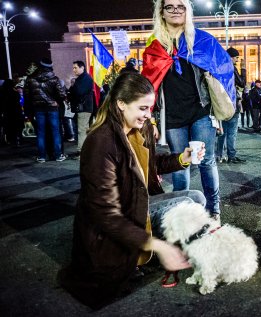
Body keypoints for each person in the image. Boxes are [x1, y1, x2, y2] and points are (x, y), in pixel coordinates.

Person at [57, 72, 206, 309]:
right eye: (143, 108)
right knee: (189, 205)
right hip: (119, 220)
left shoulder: (139, 129)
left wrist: (182, 158)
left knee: (195, 197)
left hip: (139, 204)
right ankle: (156, 251)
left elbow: (152, 165)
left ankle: (166, 250)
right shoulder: (101, 142)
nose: (149, 115)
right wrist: (158, 245)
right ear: (121, 104)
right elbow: (105, 214)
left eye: (151, 108)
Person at [141, 0, 235, 220]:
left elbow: (224, 67)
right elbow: (147, 87)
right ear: (161, 13)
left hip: (201, 112)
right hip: (172, 116)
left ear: (187, 12)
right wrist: (152, 119)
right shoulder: (154, 47)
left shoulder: (201, 40)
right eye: (169, 7)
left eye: (180, 6)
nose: (175, 11)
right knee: (179, 164)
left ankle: (213, 210)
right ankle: (181, 214)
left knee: (206, 161)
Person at [23, 58, 67, 162]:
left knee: (41, 133)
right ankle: (58, 155)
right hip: (52, 108)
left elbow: (27, 95)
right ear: (50, 67)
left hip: (38, 109)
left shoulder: (30, 79)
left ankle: (41, 156)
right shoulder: (54, 79)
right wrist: (56, 100)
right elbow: (62, 95)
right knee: (55, 132)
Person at [215, 47, 247, 164]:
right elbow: (242, 83)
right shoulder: (231, 68)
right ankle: (231, 155)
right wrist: (243, 69)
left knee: (222, 131)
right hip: (232, 103)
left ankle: (219, 155)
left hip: (222, 103)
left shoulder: (219, 67)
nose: (237, 60)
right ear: (230, 57)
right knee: (232, 132)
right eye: (236, 57)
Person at [69, 60, 95, 159]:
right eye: (73, 68)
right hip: (83, 107)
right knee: (84, 129)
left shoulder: (85, 78)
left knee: (82, 130)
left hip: (84, 108)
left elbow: (79, 91)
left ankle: (81, 152)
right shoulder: (81, 78)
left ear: (82, 68)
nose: (74, 70)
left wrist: (72, 88)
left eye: (75, 67)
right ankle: (87, 150)